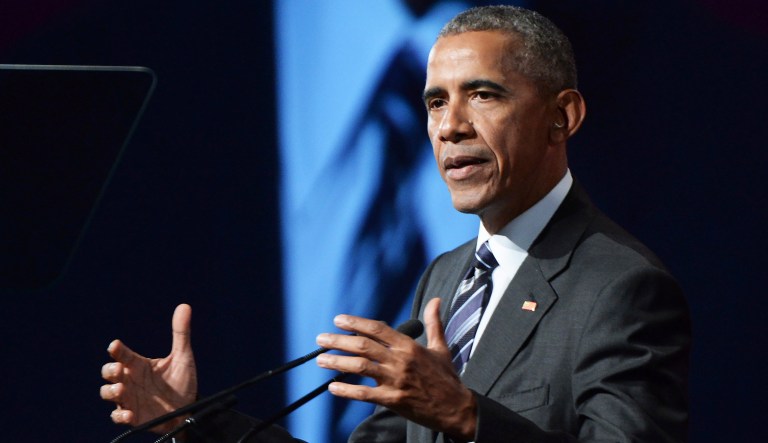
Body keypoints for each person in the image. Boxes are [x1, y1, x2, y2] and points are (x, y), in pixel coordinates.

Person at [101, 5, 691, 442]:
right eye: (436, 102)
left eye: (482, 95)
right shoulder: (447, 276)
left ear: (561, 117)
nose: (448, 127)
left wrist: (464, 414)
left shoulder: (621, 287)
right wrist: (193, 421)